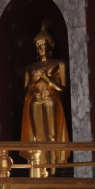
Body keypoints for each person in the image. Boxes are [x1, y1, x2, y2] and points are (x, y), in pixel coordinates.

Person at [20, 21, 70, 172]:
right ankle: (38, 169)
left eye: (43, 44)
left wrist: (47, 79)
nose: (40, 48)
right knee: (36, 137)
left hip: (50, 100)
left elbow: (63, 89)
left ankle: (53, 168)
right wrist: (34, 80)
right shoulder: (30, 67)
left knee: (52, 135)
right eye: (37, 45)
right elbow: (25, 92)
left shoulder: (58, 64)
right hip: (34, 101)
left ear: (50, 45)